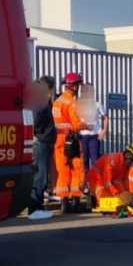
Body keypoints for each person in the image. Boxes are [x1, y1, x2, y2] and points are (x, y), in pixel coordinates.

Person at [52, 70, 85, 211]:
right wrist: (86, 125)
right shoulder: (71, 102)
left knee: (62, 169)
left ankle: (64, 202)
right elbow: (76, 124)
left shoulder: (57, 102)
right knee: (76, 168)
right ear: (74, 86)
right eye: (78, 85)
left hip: (58, 140)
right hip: (71, 139)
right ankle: (75, 200)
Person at [28, 75, 56, 221]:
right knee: (40, 176)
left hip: (44, 142)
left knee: (42, 176)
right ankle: (34, 209)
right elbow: (35, 120)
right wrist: (36, 135)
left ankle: (38, 207)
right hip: (41, 143)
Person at [78, 82, 108, 183]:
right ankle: (86, 182)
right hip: (82, 137)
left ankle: (96, 182)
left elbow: (105, 117)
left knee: (95, 161)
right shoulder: (78, 105)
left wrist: (104, 130)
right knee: (84, 161)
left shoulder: (97, 104)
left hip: (94, 137)